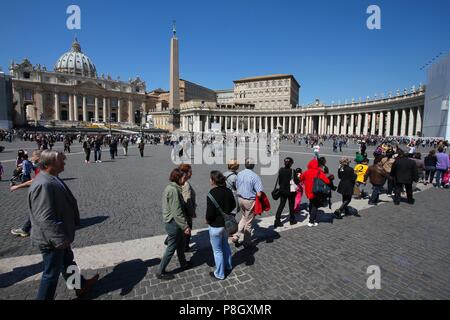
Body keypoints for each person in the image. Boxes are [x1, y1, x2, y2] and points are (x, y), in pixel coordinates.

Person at [28, 150, 99, 299]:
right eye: (61, 160)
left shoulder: (52, 177)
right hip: (52, 239)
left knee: (68, 261)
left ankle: (79, 286)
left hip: (60, 234)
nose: (64, 162)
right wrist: (59, 239)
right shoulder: (43, 184)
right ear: (49, 164)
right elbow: (44, 218)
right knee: (50, 275)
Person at [156, 168, 193, 280]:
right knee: (171, 248)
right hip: (174, 223)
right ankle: (160, 271)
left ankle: (183, 264)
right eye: (183, 177)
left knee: (181, 244)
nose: (185, 179)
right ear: (178, 178)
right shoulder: (173, 190)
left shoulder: (172, 187)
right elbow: (176, 211)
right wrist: (185, 226)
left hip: (174, 222)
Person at [206, 171, 236, 280]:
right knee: (225, 246)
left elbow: (209, 213)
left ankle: (219, 273)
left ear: (214, 181)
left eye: (210, 179)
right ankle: (228, 265)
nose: (209, 180)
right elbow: (233, 204)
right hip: (226, 225)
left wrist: (208, 220)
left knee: (217, 250)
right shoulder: (228, 191)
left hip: (215, 226)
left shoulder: (211, 193)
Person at [232, 158, 263, 248]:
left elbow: (236, 186)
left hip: (240, 199)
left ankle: (236, 236)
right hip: (249, 201)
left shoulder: (239, 174)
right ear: (253, 165)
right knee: (248, 222)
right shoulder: (255, 176)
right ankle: (247, 242)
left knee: (243, 218)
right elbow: (259, 194)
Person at [11, 150, 42, 238]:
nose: (31, 158)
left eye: (33, 156)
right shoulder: (39, 166)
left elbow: (33, 181)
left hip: (42, 193)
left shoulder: (40, 168)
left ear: (38, 157)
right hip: (43, 192)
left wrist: (17, 186)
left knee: (34, 210)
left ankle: (25, 229)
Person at [300, 158, 330, 227]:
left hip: (308, 191)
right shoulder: (319, 172)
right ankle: (311, 221)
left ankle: (311, 216)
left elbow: (300, 179)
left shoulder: (306, 172)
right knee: (315, 205)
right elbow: (327, 181)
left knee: (311, 203)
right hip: (316, 191)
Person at [273, 157, 298, 229]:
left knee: (281, 205)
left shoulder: (281, 170)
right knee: (291, 206)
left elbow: (279, 181)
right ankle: (292, 220)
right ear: (291, 164)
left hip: (282, 191)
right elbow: (296, 181)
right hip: (291, 191)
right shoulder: (293, 171)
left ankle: (277, 220)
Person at [179, 164, 197, 252]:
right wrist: (192, 212)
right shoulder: (186, 184)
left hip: (182, 211)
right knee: (187, 228)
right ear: (186, 173)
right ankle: (185, 247)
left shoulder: (180, 181)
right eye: (190, 171)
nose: (192, 173)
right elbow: (187, 201)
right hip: (186, 213)